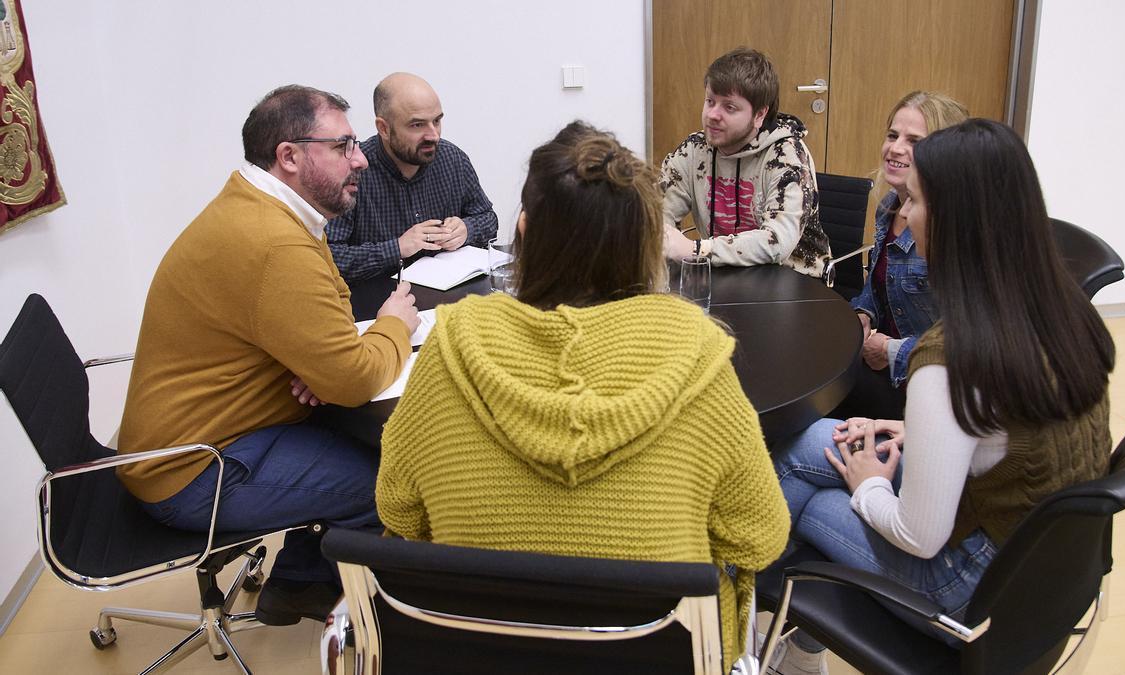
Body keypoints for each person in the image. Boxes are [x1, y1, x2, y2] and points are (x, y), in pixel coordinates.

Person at [376, 121, 790, 672]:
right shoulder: (700, 359)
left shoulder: (448, 353)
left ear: (522, 230)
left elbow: (399, 511)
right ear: (648, 245)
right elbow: (758, 537)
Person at [767, 119, 1115, 673]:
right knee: (812, 440)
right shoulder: (1064, 310)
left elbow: (918, 535)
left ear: (957, 223)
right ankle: (787, 634)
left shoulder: (951, 359)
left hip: (972, 589)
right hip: (1040, 560)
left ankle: (766, 638)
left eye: (919, 202)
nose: (906, 214)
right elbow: (1009, 429)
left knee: (799, 485)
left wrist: (871, 486)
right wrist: (915, 431)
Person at [118, 85, 420, 626]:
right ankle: (365, 621)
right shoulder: (275, 242)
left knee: (349, 436)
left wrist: (313, 363)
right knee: (389, 482)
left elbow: (327, 312)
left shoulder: (264, 206)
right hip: (193, 469)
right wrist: (395, 325)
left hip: (209, 432)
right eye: (345, 145)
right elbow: (353, 380)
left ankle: (301, 581)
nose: (361, 160)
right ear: (289, 156)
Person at [835, 91, 968, 421]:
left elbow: (965, 348)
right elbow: (878, 284)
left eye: (914, 141)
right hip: (884, 365)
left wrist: (888, 350)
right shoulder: (889, 206)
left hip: (923, 387)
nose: (895, 148)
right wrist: (864, 312)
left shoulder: (951, 234)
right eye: (893, 135)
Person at [660, 47, 830, 277]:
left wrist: (695, 249)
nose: (712, 115)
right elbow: (658, 216)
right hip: (723, 275)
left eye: (729, 107)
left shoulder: (787, 155)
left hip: (792, 283)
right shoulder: (695, 150)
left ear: (760, 115)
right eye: (710, 101)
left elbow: (777, 242)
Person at [326, 72, 498, 283]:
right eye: (417, 125)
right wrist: (397, 248)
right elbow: (329, 257)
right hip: (379, 305)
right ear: (384, 128)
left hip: (449, 296)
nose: (433, 135)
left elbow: (488, 217)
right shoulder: (352, 171)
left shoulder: (452, 158)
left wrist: (466, 229)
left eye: (437, 121)